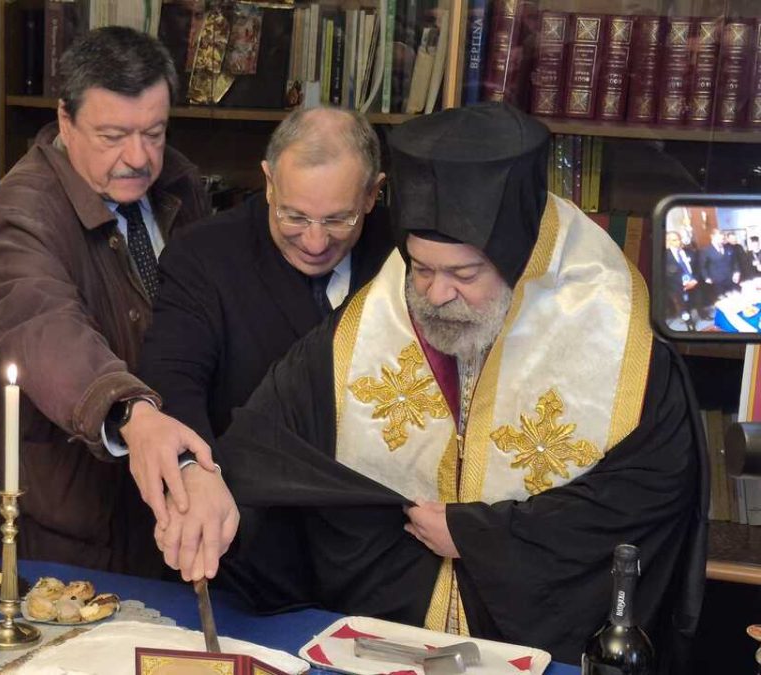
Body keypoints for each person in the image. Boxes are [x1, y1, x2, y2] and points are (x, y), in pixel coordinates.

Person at [156, 104, 706, 670]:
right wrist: (210, 483)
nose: (436, 295)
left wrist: (481, 535)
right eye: (420, 268)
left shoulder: (608, 325)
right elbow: (270, 434)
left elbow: (649, 491)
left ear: (519, 263)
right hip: (385, 640)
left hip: (533, 636)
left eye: (464, 275)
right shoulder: (379, 313)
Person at [0, 26, 213, 577]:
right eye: (113, 135)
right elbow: (42, 324)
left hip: (163, 501)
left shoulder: (181, 183)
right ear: (65, 120)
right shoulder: (21, 207)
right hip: (64, 513)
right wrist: (129, 410)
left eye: (154, 132)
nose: (139, 157)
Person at [136, 107, 393, 585]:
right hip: (245, 549)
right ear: (269, 182)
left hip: (376, 554)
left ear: (374, 192)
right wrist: (193, 470)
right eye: (294, 216)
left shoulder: (406, 256)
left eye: (338, 219)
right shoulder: (204, 256)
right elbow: (172, 380)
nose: (315, 242)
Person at [663, 230, 703, 323]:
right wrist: (681, 285)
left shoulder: (689, 252)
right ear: (668, 241)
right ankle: (689, 322)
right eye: (674, 240)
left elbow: (697, 267)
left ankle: (703, 314)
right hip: (678, 287)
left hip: (694, 282)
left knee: (698, 300)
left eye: (679, 239)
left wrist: (695, 280)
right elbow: (666, 275)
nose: (678, 242)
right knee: (684, 307)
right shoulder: (664, 255)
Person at [700, 228, 741, 297]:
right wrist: (706, 278)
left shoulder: (729, 248)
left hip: (732, 280)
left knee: (736, 299)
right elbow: (703, 266)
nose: (722, 240)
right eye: (720, 238)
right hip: (717, 282)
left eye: (723, 238)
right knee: (723, 302)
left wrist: (737, 272)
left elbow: (735, 262)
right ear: (712, 237)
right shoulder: (706, 250)